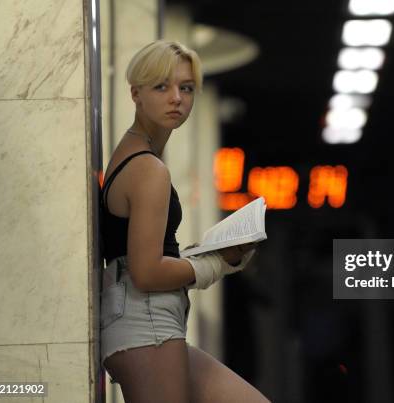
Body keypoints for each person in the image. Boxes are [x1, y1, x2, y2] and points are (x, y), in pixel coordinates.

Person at [100, 39, 269, 403]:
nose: (176, 97)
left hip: (145, 319)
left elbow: (143, 256)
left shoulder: (138, 156)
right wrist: (213, 264)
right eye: (161, 86)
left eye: (186, 88)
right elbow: (145, 272)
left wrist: (204, 254)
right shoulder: (148, 168)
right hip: (145, 323)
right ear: (136, 94)